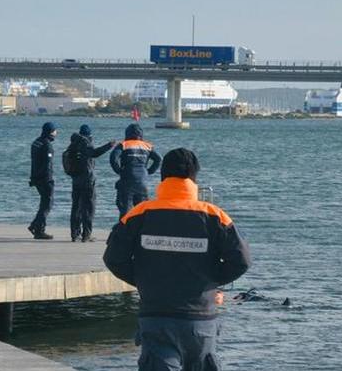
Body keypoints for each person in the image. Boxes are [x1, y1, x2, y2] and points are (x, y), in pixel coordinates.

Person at [103, 148, 251, 370]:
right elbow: (241, 261)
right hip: (199, 319)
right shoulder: (215, 216)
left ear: (162, 176)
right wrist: (208, 282)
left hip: (156, 316)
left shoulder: (139, 214)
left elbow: (114, 259)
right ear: (194, 177)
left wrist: (145, 280)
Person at [67, 124, 116, 242]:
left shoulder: (73, 144)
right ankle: (86, 235)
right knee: (88, 207)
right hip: (87, 180)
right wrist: (109, 145)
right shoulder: (85, 142)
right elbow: (94, 153)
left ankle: (75, 234)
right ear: (89, 135)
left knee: (76, 207)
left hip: (76, 179)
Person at [109, 123, 161, 218]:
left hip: (127, 180)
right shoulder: (147, 146)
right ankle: (141, 231)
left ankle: (124, 231)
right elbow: (158, 159)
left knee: (126, 211)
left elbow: (113, 157)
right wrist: (149, 171)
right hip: (142, 182)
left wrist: (119, 171)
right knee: (142, 211)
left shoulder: (123, 145)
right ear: (141, 135)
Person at [28, 122, 58, 240]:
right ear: (50, 131)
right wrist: (49, 180)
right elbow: (47, 165)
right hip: (44, 179)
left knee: (44, 203)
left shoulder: (36, 142)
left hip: (36, 177)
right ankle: (39, 230)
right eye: (55, 130)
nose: (56, 133)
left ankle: (34, 225)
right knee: (47, 204)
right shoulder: (47, 145)